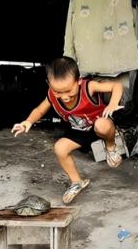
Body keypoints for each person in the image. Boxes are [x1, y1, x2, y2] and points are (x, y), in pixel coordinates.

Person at [12, 56, 125, 204]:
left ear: (78, 81)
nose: (64, 97)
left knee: (102, 125)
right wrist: (27, 122)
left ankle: (110, 147)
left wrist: (112, 104)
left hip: (99, 124)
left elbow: (116, 85)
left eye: (69, 91)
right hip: (78, 129)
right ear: (49, 84)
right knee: (59, 148)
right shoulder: (52, 95)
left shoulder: (88, 86)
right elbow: (39, 110)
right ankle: (77, 182)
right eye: (58, 92)